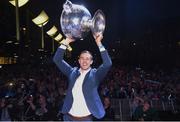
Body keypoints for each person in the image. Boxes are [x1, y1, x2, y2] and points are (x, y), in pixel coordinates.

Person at [53, 34, 112, 121]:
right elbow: (57, 59)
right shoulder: (71, 72)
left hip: (86, 119)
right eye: (82, 58)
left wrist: (99, 43)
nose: (85, 61)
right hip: (69, 118)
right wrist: (66, 41)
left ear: (91, 62)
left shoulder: (95, 75)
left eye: (88, 59)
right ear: (79, 60)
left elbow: (108, 63)